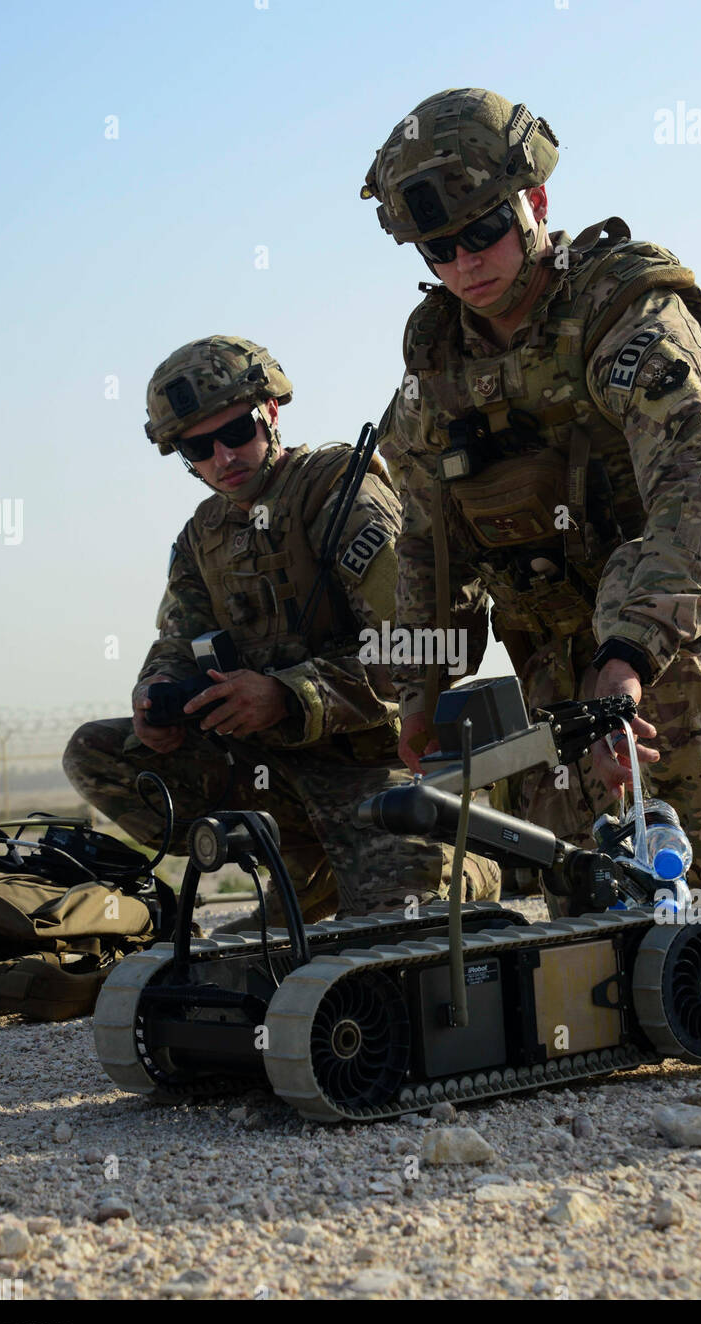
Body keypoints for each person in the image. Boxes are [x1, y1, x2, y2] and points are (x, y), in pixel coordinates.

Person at [361, 87, 701, 943]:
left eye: (484, 231)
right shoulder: (436, 364)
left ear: (537, 204)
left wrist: (627, 656)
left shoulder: (623, 313)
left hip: (697, 597)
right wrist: (419, 689)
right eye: (440, 248)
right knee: (595, 902)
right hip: (555, 633)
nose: (465, 262)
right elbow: (423, 539)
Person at [63, 335, 499, 923]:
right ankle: (303, 867)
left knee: (394, 935)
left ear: (270, 412)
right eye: (199, 446)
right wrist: (156, 695)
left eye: (237, 432)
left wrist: (290, 695)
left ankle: (467, 858)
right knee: (100, 751)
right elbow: (175, 639)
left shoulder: (339, 492)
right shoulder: (202, 534)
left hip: (376, 762)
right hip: (272, 770)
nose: (223, 456)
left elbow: (419, 647)